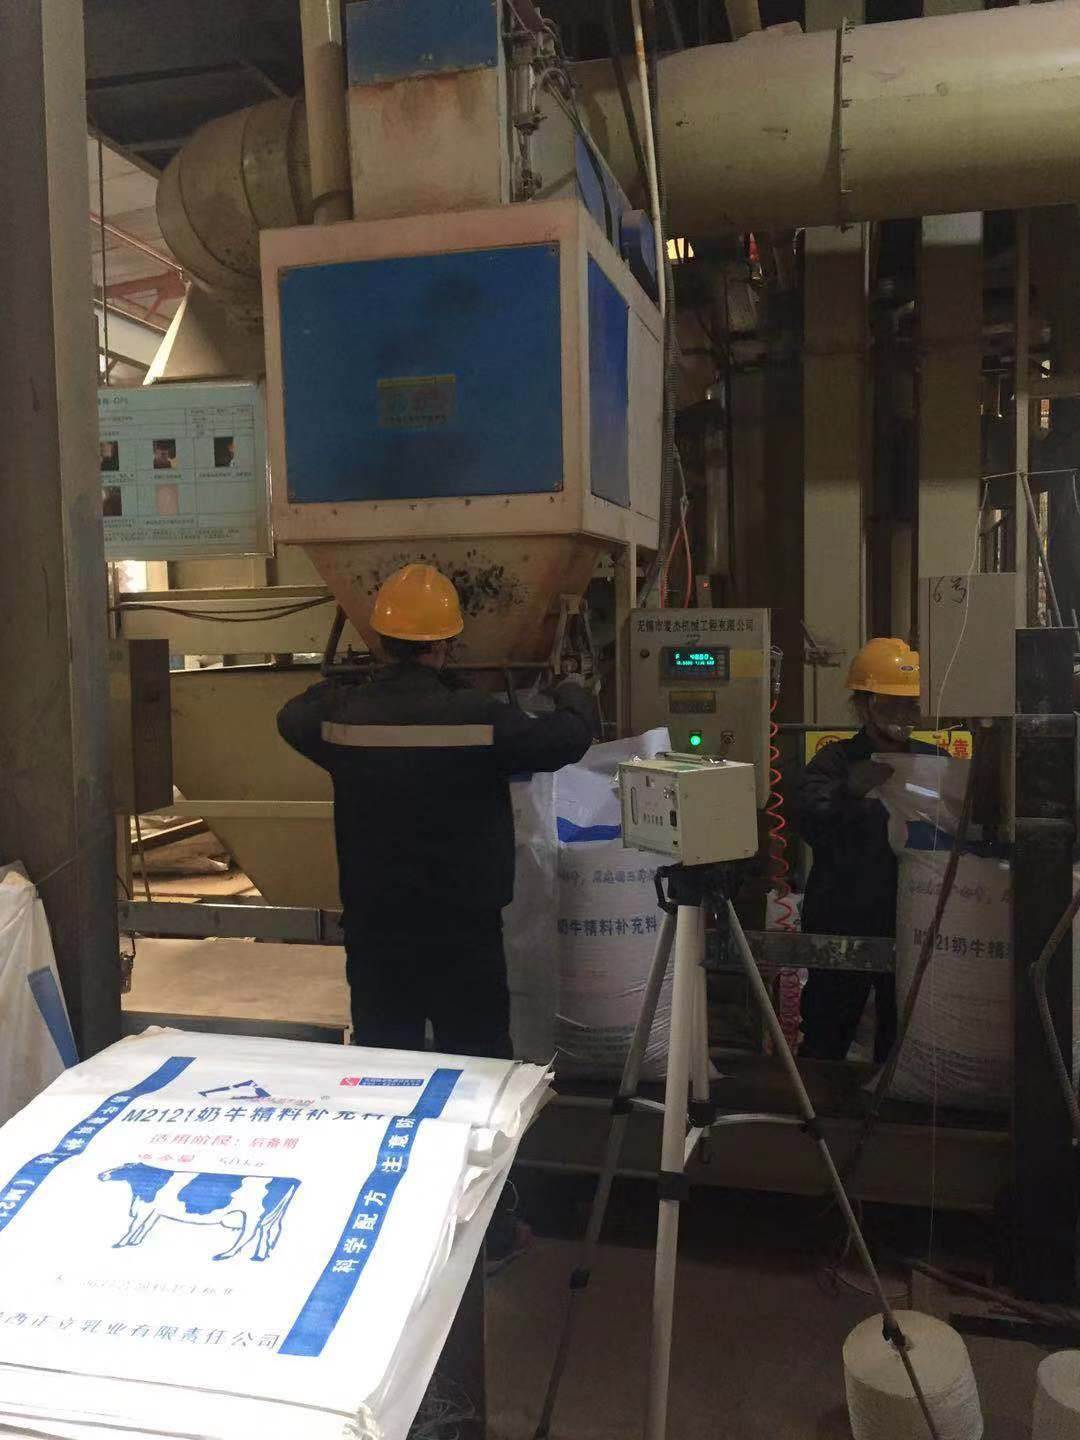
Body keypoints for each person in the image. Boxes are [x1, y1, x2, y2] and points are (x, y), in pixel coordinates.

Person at [277, 562, 593, 1060]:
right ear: (446, 644)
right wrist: (572, 691)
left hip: (377, 923)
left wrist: (349, 685)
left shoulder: (343, 719)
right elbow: (569, 739)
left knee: (385, 1056)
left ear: (381, 642)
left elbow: (291, 716)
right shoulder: (479, 717)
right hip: (463, 926)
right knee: (474, 1056)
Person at [794, 637, 936, 1062]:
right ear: (864, 705)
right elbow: (809, 820)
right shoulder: (835, 763)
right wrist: (848, 792)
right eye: (891, 704)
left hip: (910, 916)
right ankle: (816, 1099)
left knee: (902, 1038)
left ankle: (890, 1100)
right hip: (842, 916)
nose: (903, 715)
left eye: (910, 705)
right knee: (827, 1032)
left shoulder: (933, 763)